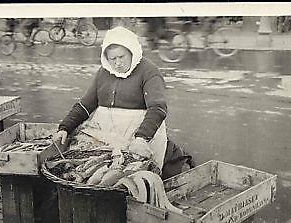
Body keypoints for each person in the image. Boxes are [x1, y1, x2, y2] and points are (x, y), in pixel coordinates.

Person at [52, 26, 193, 179]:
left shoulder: (148, 71)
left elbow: (157, 108)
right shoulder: (103, 72)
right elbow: (85, 105)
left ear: (131, 52)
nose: (117, 63)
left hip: (139, 134)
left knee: (134, 174)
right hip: (106, 134)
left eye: (122, 57)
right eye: (113, 59)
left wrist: (141, 138)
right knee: (93, 171)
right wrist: (65, 127)